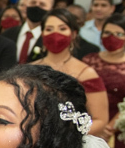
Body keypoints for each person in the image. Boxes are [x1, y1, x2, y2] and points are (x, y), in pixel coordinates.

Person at [31, 8, 108, 136]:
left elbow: (100, 120)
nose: (55, 33)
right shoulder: (30, 70)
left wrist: (68, 136)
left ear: (73, 34)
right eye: (49, 29)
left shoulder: (86, 73)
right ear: (42, 33)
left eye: (62, 29)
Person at [82, 14, 125, 142]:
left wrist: (109, 128)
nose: (112, 37)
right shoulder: (89, 60)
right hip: (88, 125)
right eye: (107, 33)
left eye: (119, 34)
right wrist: (94, 127)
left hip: (119, 129)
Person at [2, 0, 54, 64]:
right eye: (33, 3)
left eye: (42, 4)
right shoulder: (8, 34)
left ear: (50, 9)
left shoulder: (51, 39)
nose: (36, 6)